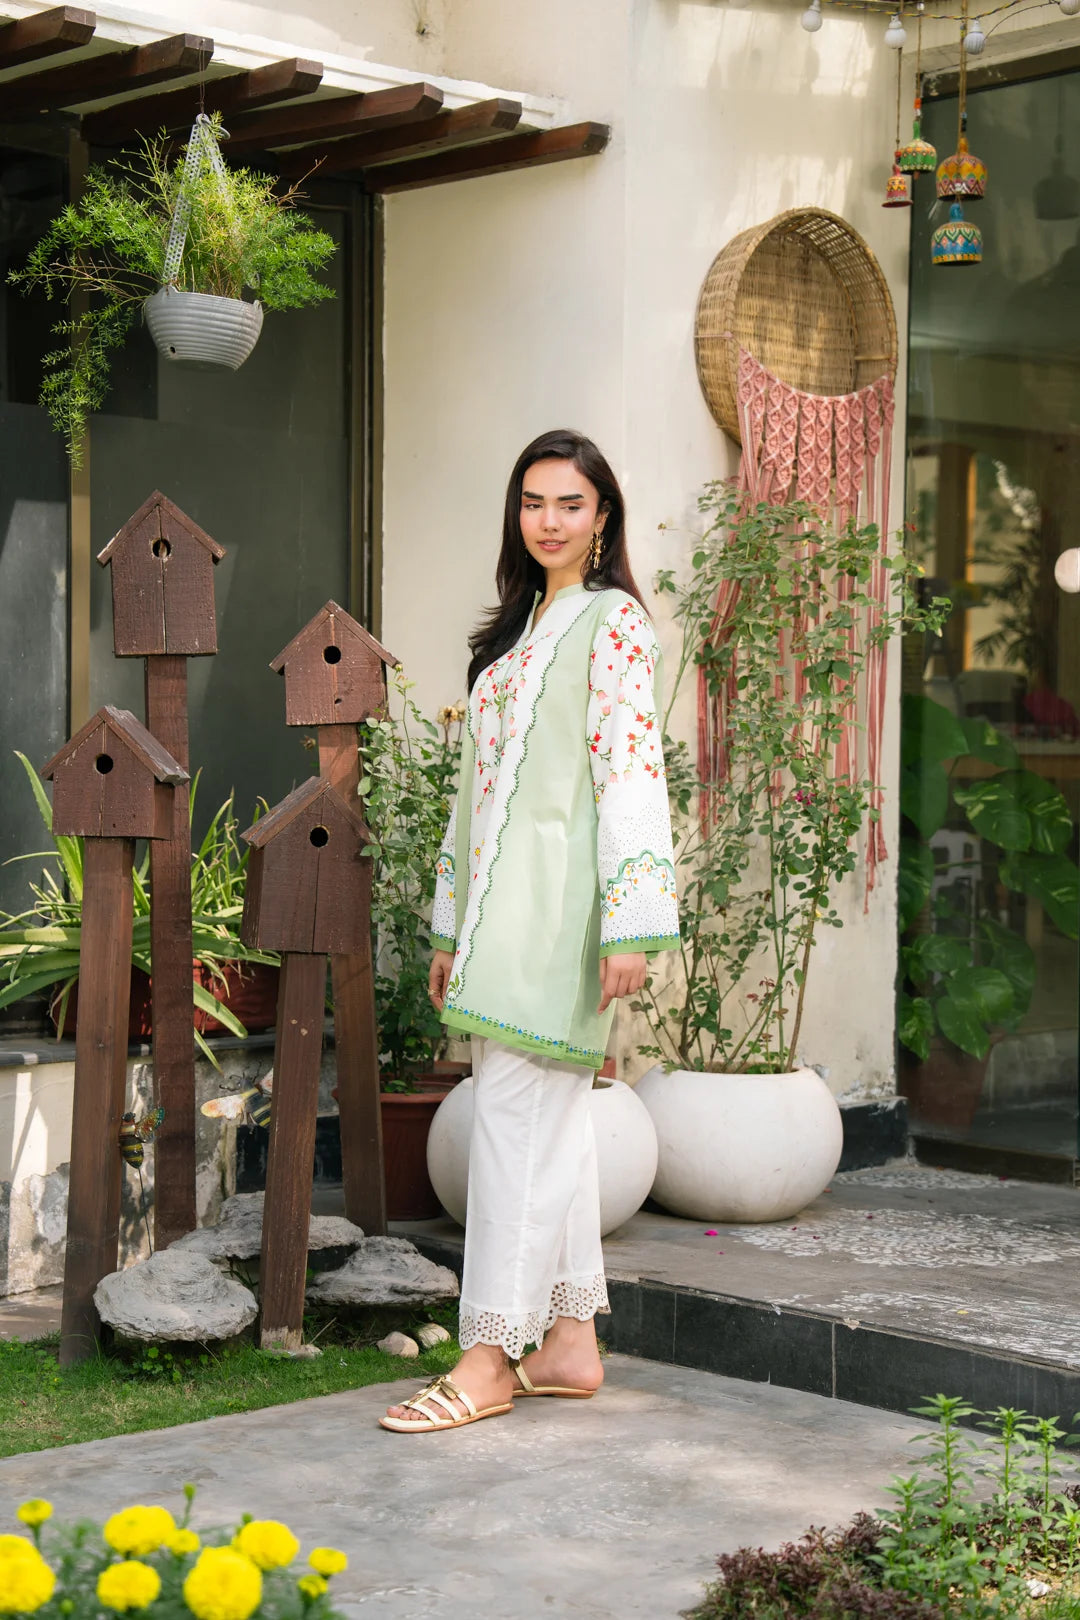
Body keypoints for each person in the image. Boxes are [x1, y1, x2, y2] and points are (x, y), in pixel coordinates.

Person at [380, 429, 680, 1434]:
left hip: (566, 919)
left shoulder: (613, 625)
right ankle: (569, 1344)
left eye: (571, 504)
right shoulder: (511, 639)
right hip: (497, 923)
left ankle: (486, 1359)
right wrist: (448, 924)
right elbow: (474, 800)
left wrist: (631, 923)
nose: (549, 521)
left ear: (603, 520)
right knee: (546, 1134)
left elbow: (631, 778)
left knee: (514, 1132)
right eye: (533, 503)